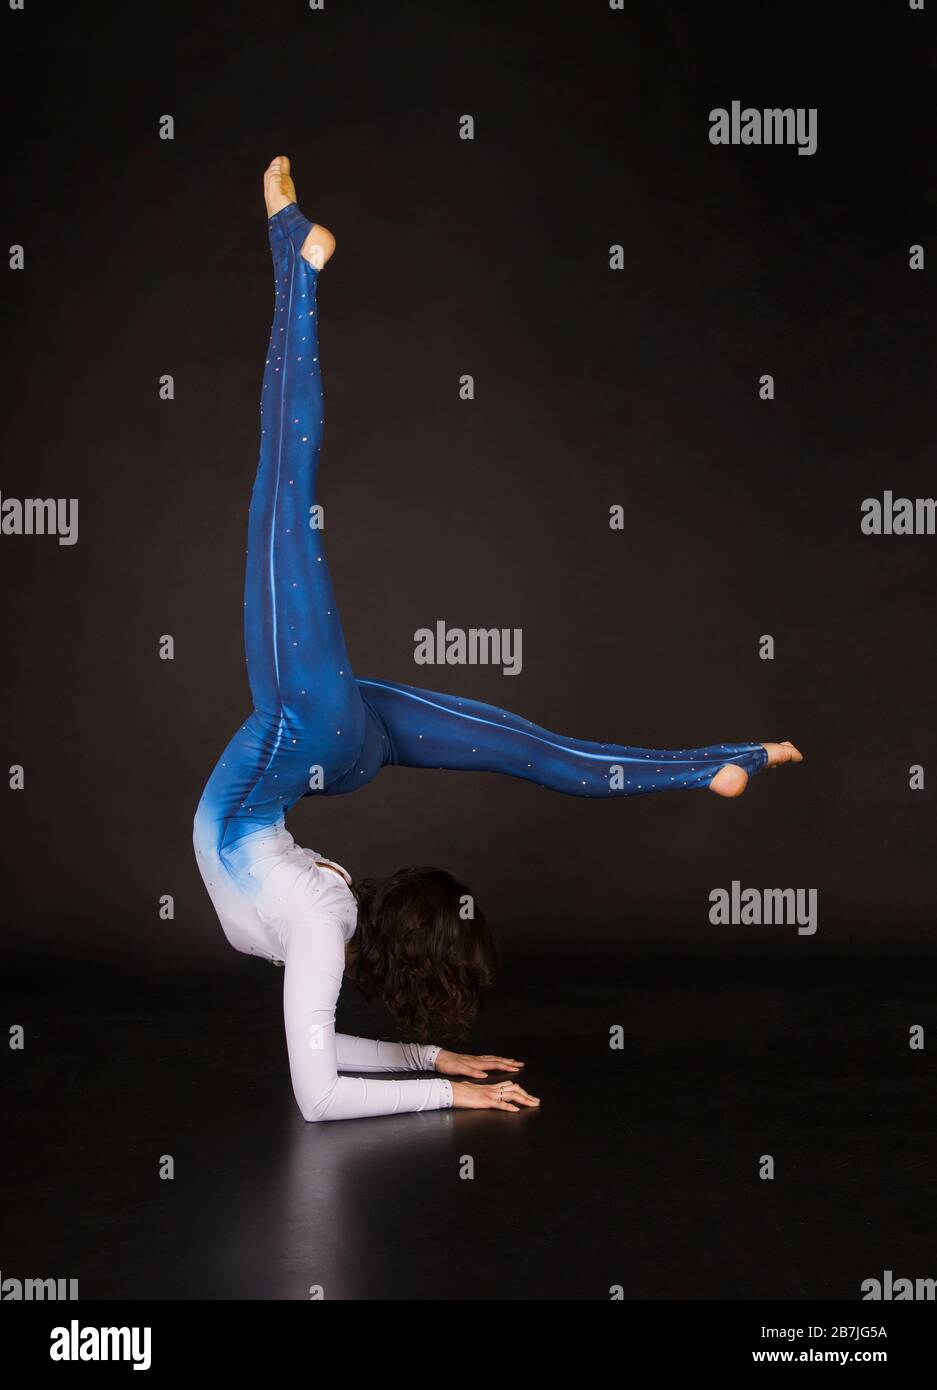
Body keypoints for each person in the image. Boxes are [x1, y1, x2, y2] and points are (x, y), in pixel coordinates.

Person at [193, 157, 803, 1123]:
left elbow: (316, 1069)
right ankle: (291, 258)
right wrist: (443, 1077)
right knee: (282, 485)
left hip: (329, 751)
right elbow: (316, 1085)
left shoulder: (327, 927)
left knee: (533, 751)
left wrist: (438, 1069)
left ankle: (716, 767)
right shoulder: (323, 929)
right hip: (311, 735)